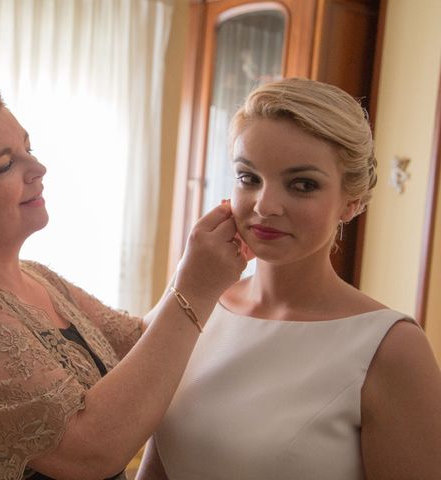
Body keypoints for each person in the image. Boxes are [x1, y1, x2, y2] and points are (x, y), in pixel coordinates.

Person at [0, 55, 247, 480]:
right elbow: (89, 452)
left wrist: (205, 263)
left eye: (28, 148)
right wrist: (194, 288)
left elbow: (140, 342)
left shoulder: (33, 275)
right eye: (5, 165)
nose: (38, 169)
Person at [137, 78, 441, 480]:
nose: (265, 205)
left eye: (302, 185)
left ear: (351, 202)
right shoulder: (196, 307)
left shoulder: (392, 347)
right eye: (249, 178)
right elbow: (155, 466)